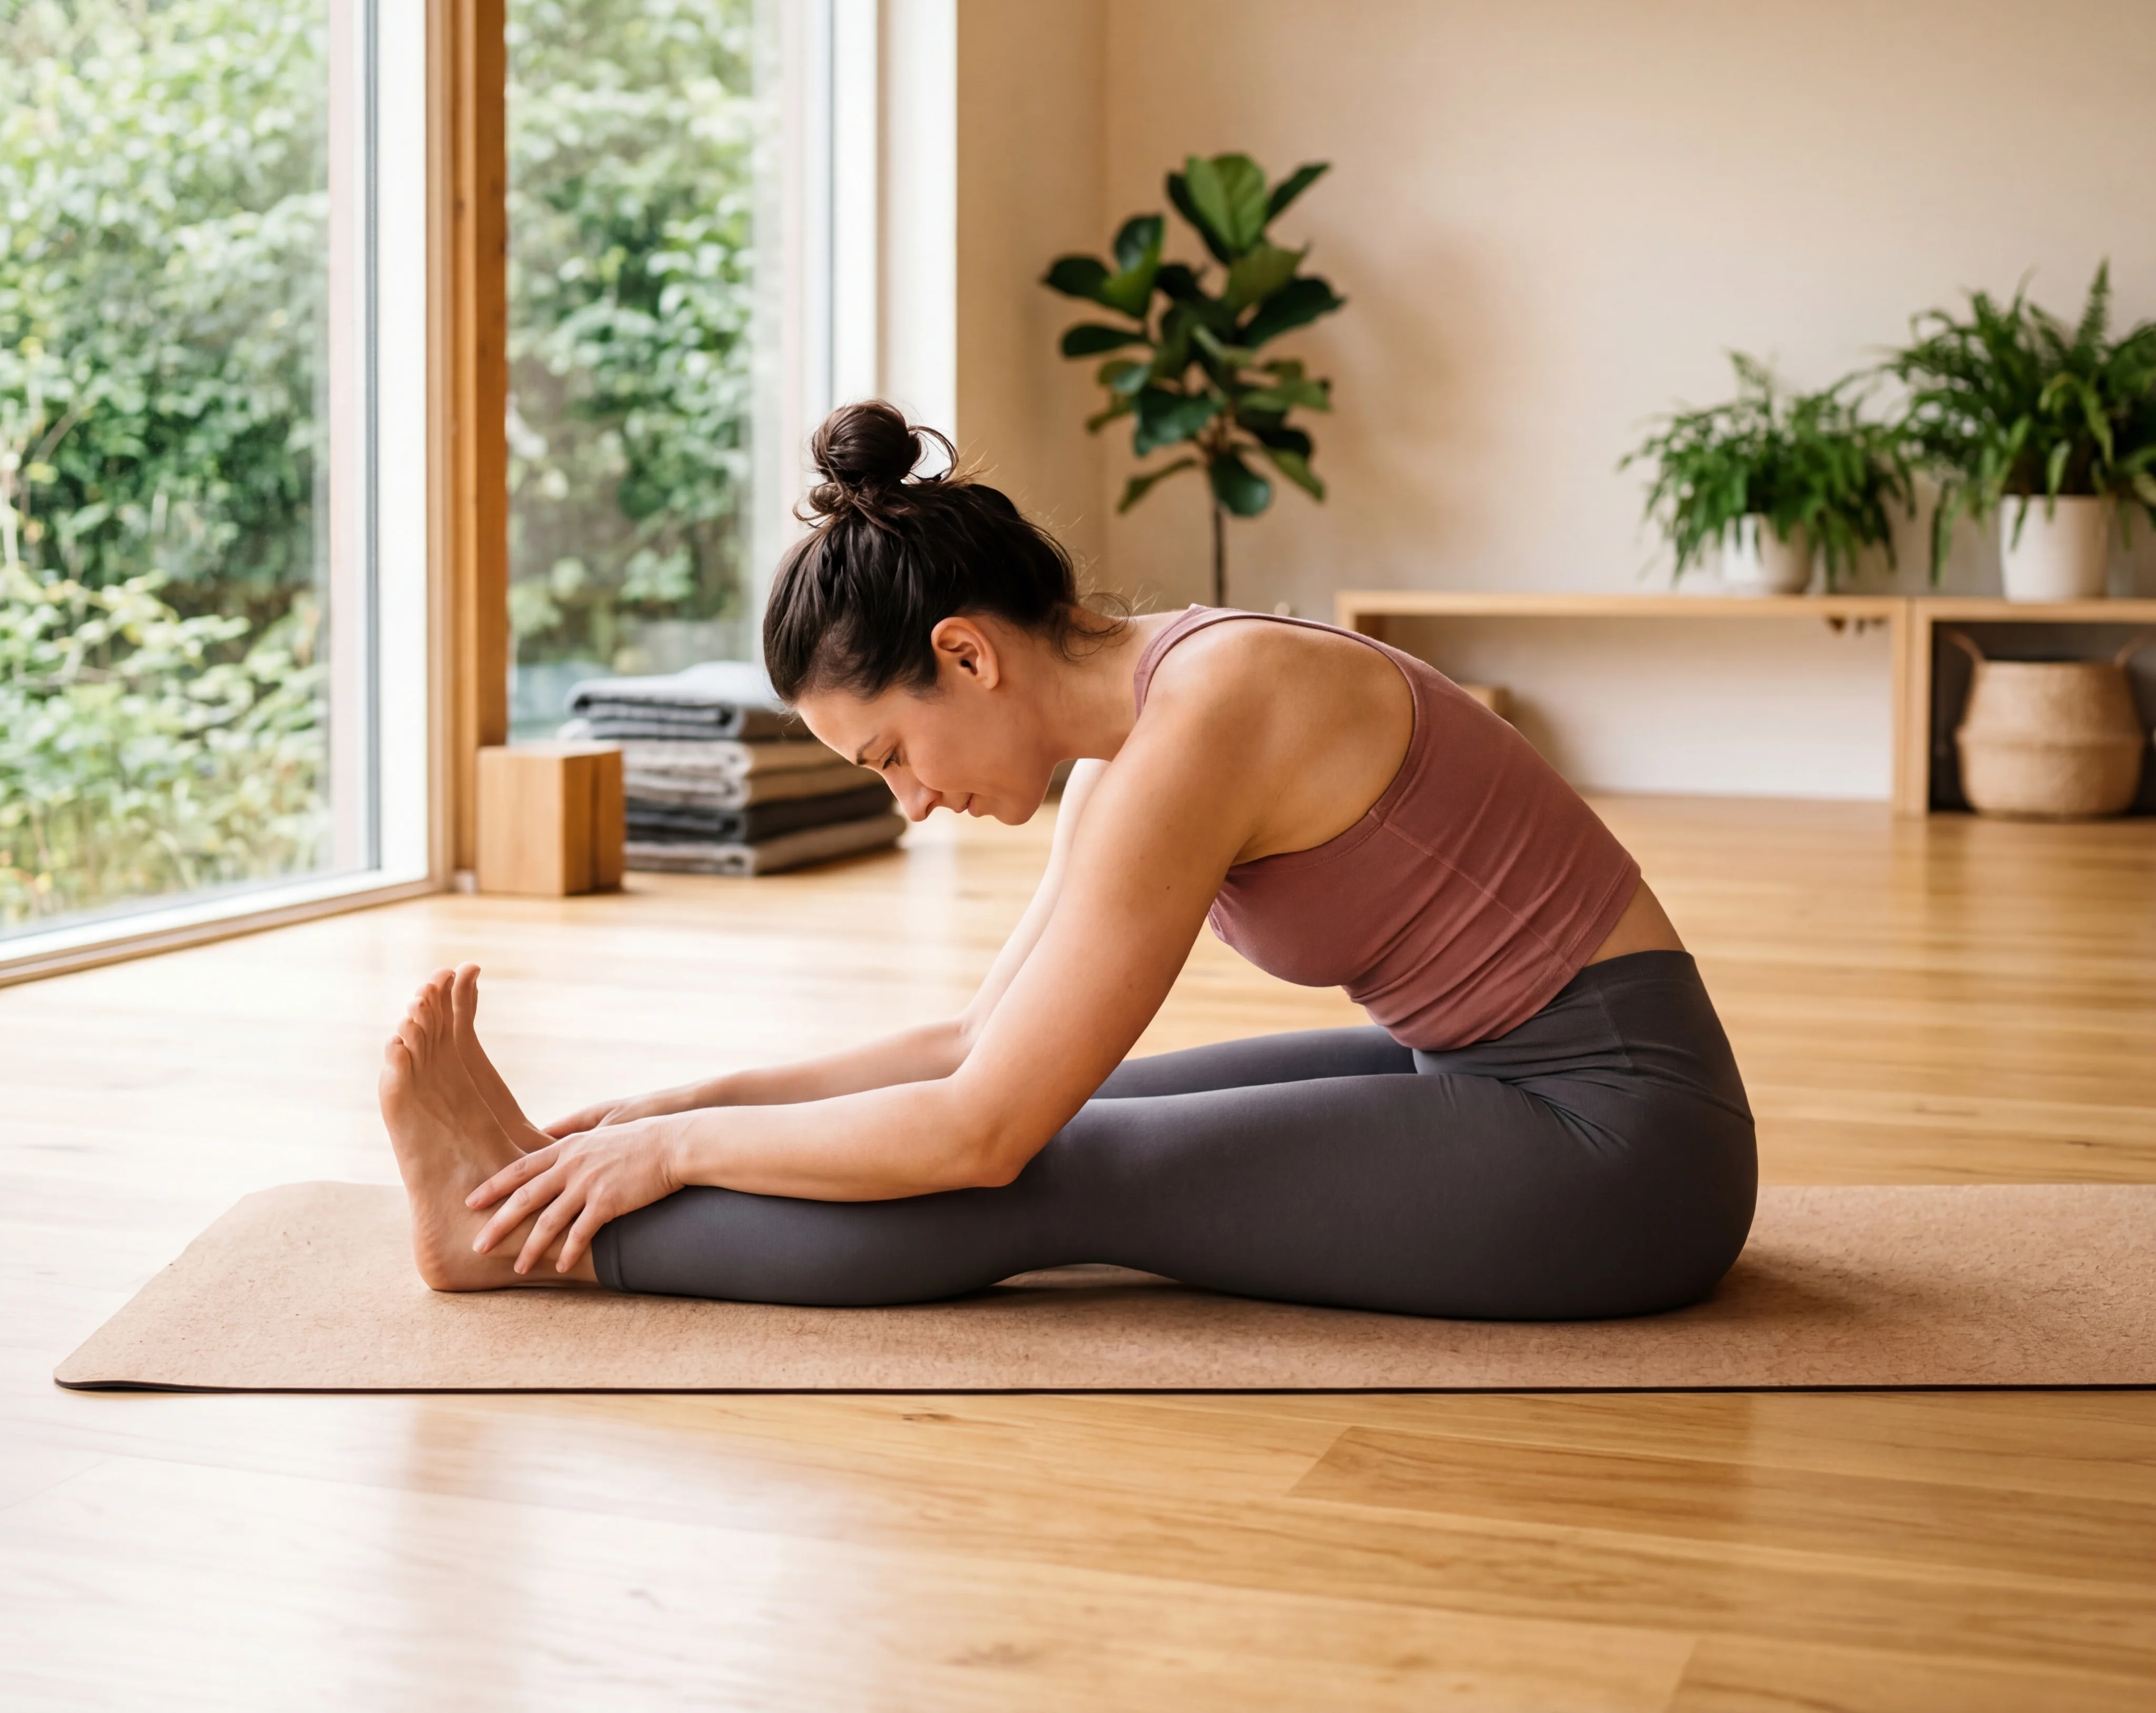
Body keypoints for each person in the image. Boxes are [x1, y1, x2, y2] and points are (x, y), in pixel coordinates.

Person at [380, 401, 1756, 1319]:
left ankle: (508, 1243)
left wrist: (678, 1155)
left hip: (1623, 1151)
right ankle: (543, 1202)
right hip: (1501, 1074)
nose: (912, 805)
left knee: (1048, 1167)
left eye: (892, 757)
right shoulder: (1149, 711)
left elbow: (982, 1134)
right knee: (1083, 1109)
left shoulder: (1209, 717)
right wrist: (672, 1106)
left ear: (965, 654)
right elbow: (977, 1042)